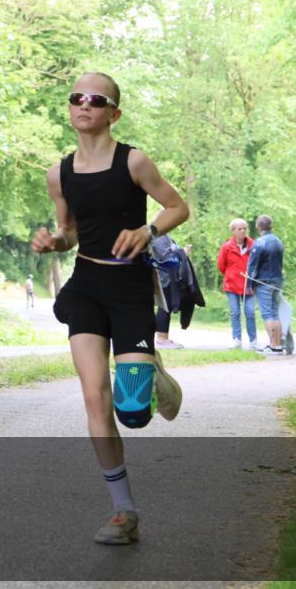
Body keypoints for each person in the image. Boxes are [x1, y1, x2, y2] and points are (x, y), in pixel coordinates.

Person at [32, 72, 189, 545]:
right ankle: (123, 511)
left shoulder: (134, 161)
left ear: (113, 113)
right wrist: (53, 240)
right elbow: (70, 231)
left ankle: (151, 374)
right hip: (87, 285)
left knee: (134, 412)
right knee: (94, 395)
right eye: (77, 98)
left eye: (96, 100)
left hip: (129, 287)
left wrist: (149, 232)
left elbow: (177, 207)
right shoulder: (59, 173)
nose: (84, 105)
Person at [246, 214, 285, 355]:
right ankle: (278, 345)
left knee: (267, 314)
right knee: (275, 313)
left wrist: (249, 284)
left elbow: (252, 266)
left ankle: (273, 346)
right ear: (271, 226)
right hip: (277, 281)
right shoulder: (278, 241)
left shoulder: (259, 243)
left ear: (258, 227)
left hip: (263, 282)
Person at [217, 218, 258, 350]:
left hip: (249, 285)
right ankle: (237, 339)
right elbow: (221, 266)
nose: (243, 231)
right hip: (232, 285)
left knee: (250, 312)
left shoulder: (254, 246)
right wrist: (232, 275)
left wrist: (252, 281)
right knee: (235, 312)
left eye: (245, 228)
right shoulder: (227, 247)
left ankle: (253, 341)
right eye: (239, 229)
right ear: (233, 231)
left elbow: (258, 265)